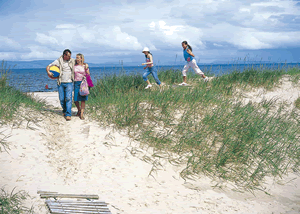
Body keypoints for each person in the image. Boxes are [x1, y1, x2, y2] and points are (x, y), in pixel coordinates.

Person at [46, 49, 75, 121]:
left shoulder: (72, 61)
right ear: (64, 55)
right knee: (62, 99)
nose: (69, 57)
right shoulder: (58, 61)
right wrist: (49, 72)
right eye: (68, 56)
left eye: (70, 56)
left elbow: (81, 63)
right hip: (61, 83)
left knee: (68, 98)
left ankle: (68, 114)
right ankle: (65, 110)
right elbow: (48, 66)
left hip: (69, 82)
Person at [73, 53, 90, 120]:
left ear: (81, 58)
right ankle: (79, 110)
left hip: (83, 83)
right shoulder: (74, 65)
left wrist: (88, 83)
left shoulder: (85, 66)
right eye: (76, 57)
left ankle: (81, 114)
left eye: (78, 57)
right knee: (75, 99)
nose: (76, 59)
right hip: (76, 82)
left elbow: (88, 74)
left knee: (83, 99)